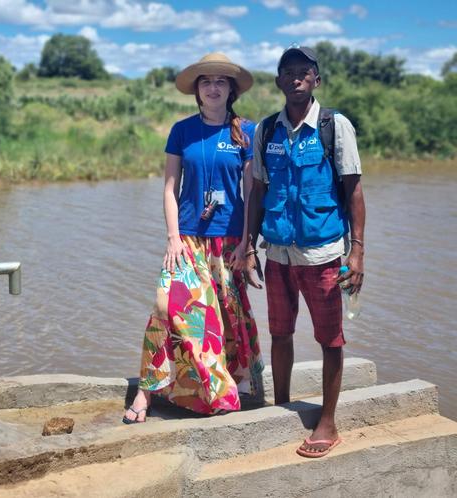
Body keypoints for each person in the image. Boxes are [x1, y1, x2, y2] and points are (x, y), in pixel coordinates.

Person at [123, 53, 264, 424]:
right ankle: (147, 389)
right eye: (206, 82)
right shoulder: (182, 130)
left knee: (226, 320)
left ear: (231, 89)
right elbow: (170, 188)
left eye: (221, 81)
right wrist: (173, 238)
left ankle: (225, 387)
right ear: (197, 90)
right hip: (186, 240)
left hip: (229, 241)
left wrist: (247, 244)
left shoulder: (246, 132)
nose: (213, 87)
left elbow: (251, 192)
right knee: (166, 308)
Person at [245, 45, 366, 457]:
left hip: (323, 254)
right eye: (288, 72)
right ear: (279, 81)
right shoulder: (266, 131)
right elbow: (257, 193)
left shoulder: (336, 127)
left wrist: (358, 252)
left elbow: (354, 192)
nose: (295, 78)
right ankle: (281, 405)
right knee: (280, 333)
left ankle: (327, 421)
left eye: (304, 72)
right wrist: (247, 249)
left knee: (330, 339)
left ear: (316, 79)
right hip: (277, 254)